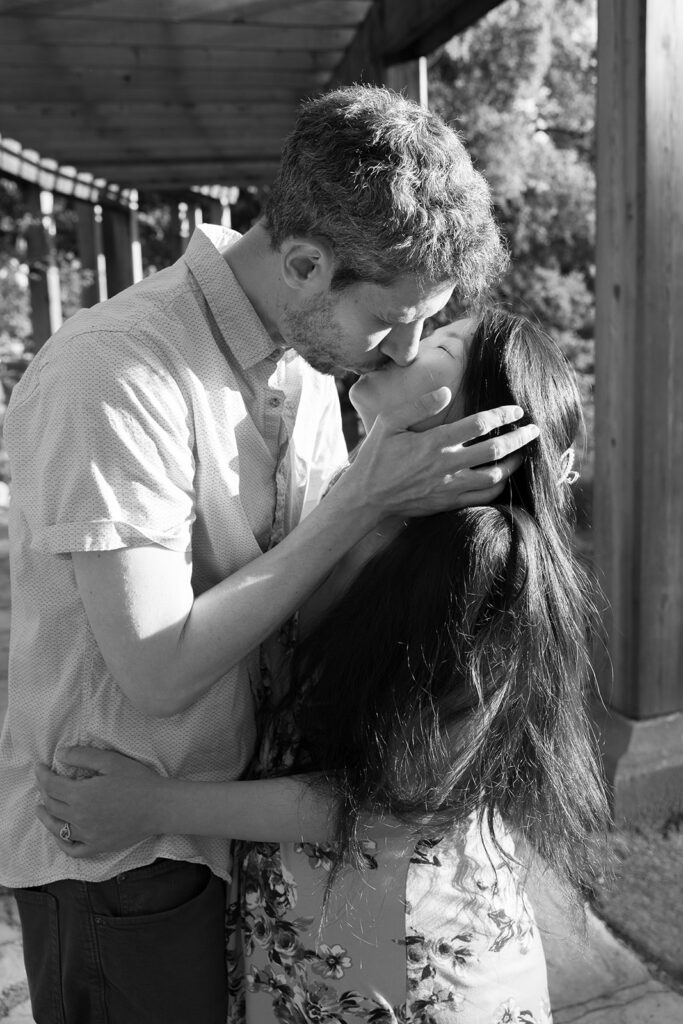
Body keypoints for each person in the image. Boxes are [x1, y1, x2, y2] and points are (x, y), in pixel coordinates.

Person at [0, 86, 538, 1024]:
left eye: (431, 324)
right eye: (394, 321)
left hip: (228, 838)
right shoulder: (117, 371)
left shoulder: (307, 356)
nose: (402, 352)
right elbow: (158, 671)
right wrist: (358, 503)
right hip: (124, 858)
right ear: (301, 262)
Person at [35, 309, 611, 1024]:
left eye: (437, 343)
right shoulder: (367, 511)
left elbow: (394, 800)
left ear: (483, 423)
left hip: (405, 964)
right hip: (318, 937)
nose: (398, 347)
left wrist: (152, 806)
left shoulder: (479, 559)